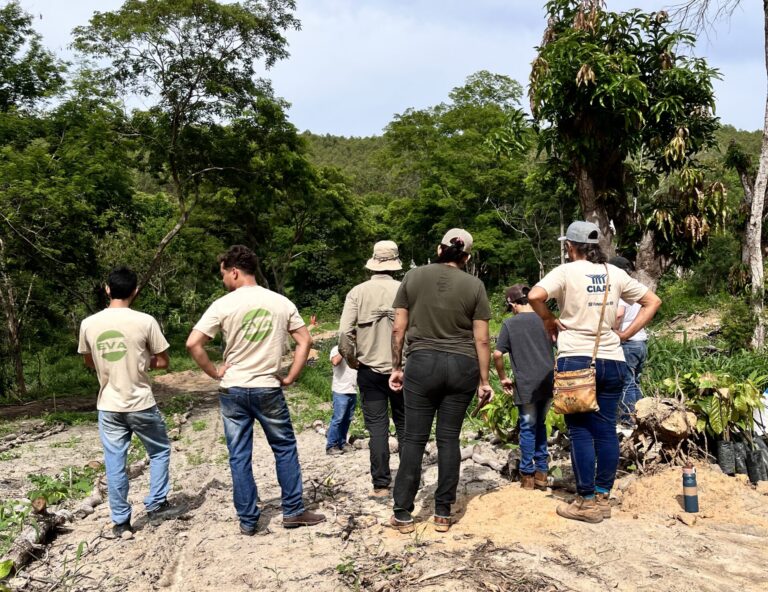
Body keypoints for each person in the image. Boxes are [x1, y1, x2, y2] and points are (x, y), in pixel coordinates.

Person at [186, 245, 325, 535]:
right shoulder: (280, 302)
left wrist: (214, 372)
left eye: (223, 273)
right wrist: (291, 376)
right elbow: (305, 341)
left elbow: (193, 343)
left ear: (234, 271)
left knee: (239, 455)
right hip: (267, 387)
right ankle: (293, 511)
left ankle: (248, 520)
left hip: (233, 389)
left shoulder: (223, 305)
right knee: (284, 448)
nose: (223, 279)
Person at [528, 221, 661, 523]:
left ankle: (586, 501)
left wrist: (549, 319)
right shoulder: (614, 273)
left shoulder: (565, 271)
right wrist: (624, 335)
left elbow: (535, 295)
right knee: (605, 430)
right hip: (613, 359)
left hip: (576, 358)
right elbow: (652, 301)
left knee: (580, 431)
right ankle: (603, 496)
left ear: (569, 246)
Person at [388, 229, 493, 533]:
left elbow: (398, 329)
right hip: (463, 367)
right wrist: (484, 381)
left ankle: (403, 513)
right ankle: (443, 512)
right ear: (467, 257)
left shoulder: (413, 277)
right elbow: (482, 340)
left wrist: (397, 366)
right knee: (449, 438)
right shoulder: (475, 285)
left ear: (439, 249)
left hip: (421, 364)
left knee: (414, 439)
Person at [78, 266, 176, 537]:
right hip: (141, 402)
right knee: (159, 451)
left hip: (108, 404)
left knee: (115, 462)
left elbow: (89, 361)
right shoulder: (146, 321)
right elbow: (164, 361)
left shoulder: (89, 323)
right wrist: (142, 361)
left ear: (107, 289)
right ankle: (156, 504)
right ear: (135, 291)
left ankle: (121, 522)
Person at [338, 240, 405, 498]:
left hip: (369, 369)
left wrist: (352, 359)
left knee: (377, 428)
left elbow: (345, 331)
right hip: (402, 370)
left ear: (374, 262)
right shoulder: (405, 290)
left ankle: (380, 485)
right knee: (405, 425)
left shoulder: (357, 292)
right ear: (395, 263)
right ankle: (409, 478)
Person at [493, 284, 554, 491]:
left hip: (526, 384)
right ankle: (542, 473)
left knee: (528, 427)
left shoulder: (510, 325)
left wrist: (503, 378)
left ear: (512, 303)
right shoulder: (546, 319)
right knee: (541, 424)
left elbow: (497, 354)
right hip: (547, 381)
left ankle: (527, 475)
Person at [609, 256, 649, 427]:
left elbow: (618, 314)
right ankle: (642, 417)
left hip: (627, 342)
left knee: (626, 383)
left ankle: (628, 420)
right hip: (641, 340)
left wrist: (614, 332)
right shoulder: (639, 288)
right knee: (635, 382)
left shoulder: (622, 288)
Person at [325, 344, 358, 455]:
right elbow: (335, 361)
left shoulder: (357, 349)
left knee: (347, 419)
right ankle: (331, 445)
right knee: (338, 419)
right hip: (340, 390)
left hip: (352, 389)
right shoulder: (336, 349)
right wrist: (344, 349)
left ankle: (342, 443)